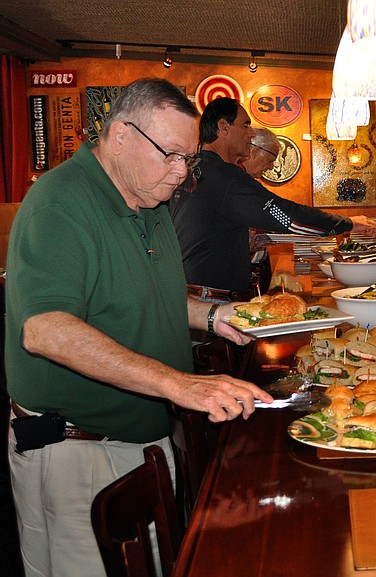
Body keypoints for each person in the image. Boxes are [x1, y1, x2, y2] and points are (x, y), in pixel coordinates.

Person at [5, 78, 274, 577]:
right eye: (170, 154)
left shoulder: (146, 198)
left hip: (140, 443)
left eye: (187, 158)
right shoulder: (60, 204)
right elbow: (45, 329)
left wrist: (215, 317)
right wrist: (179, 384)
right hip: (77, 452)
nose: (180, 172)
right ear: (121, 134)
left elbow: (151, 294)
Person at [169, 97, 376, 298]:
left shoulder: (192, 168)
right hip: (211, 300)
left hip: (189, 294)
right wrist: (347, 224)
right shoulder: (225, 176)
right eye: (245, 125)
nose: (251, 134)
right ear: (224, 127)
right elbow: (286, 217)